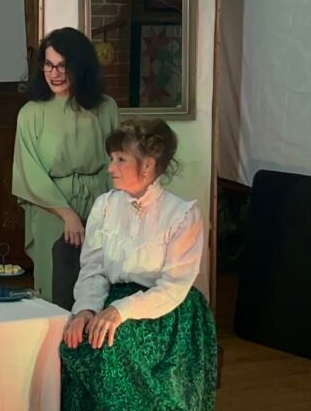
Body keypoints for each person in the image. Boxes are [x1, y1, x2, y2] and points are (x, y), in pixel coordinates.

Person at [60, 120, 218, 410]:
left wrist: (121, 311)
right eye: (111, 158)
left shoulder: (182, 215)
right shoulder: (105, 206)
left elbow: (173, 288)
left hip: (168, 311)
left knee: (111, 346)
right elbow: (93, 268)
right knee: (74, 340)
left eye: (120, 159)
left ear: (147, 165)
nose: (110, 167)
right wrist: (85, 309)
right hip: (113, 299)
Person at [12, 27, 119, 309]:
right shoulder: (31, 113)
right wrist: (67, 214)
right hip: (53, 209)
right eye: (48, 65)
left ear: (80, 67)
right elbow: (29, 173)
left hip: (99, 203)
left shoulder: (106, 108)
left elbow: (117, 162)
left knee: (100, 284)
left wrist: (110, 211)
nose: (55, 74)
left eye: (63, 66)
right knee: (56, 288)